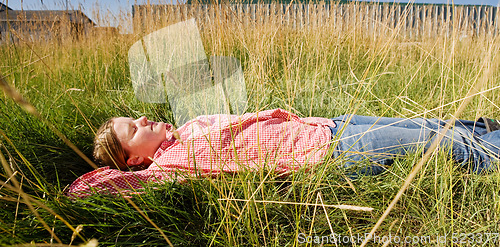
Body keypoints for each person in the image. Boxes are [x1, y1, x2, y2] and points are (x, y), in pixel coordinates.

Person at [67, 109, 500, 198]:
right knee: (448, 146)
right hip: (333, 150)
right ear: (134, 160)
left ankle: (489, 129)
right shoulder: (168, 167)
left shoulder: (183, 134)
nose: (143, 119)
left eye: (136, 117)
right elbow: (84, 190)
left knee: (436, 127)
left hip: (325, 124)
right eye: (134, 129)